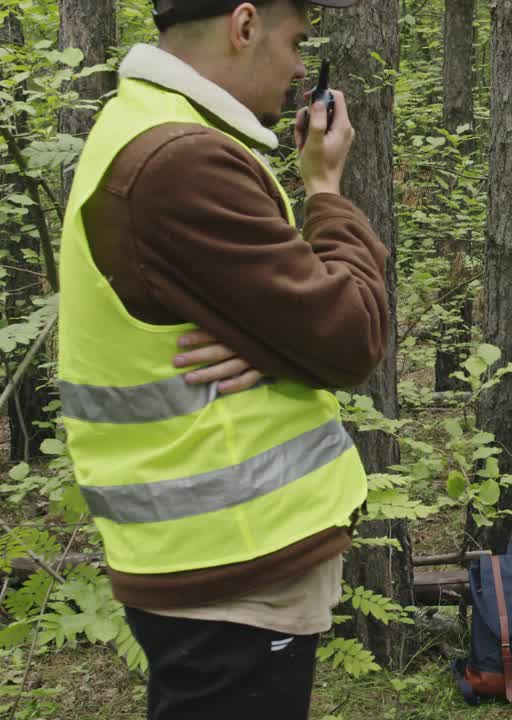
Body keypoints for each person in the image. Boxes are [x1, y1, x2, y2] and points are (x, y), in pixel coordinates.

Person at [57, 1, 388, 718]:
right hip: (231, 567)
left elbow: (293, 321)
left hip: (212, 562)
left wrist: (275, 342)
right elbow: (353, 332)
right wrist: (326, 192)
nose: (303, 67)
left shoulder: (145, 130)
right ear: (244, 26)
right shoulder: (184, 161)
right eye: (296, 42)